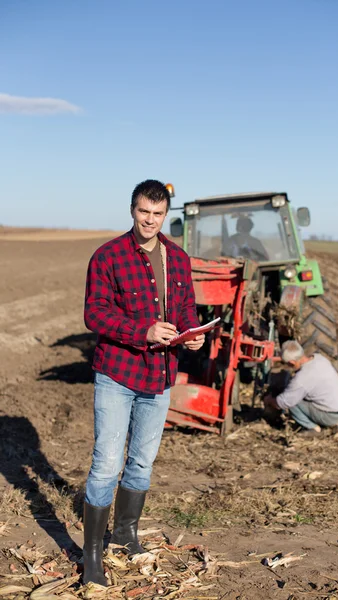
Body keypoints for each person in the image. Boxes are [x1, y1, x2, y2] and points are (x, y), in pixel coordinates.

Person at [82, 179, 205, 585]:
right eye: (142, 212)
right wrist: (143, 332)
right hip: (118, 373)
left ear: (165, 214)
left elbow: (185, 306)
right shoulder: (108, 256)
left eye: (156, 214)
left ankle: (125, 534)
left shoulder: (179, 258)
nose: (149, 220)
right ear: (132, 210)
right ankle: (93, 555)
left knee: (141, 462)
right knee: (106, 464)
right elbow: (95, 315)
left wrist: (193, 330)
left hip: (161, 377)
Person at [264, 341, 338, 436]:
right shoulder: (319, 358)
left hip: (331, 415)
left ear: (292, 362)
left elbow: (284, 402)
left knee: (293, 403)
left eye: (287, 364)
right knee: (296, 395)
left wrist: (269, 400)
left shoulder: (302, 378)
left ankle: (313, 428)